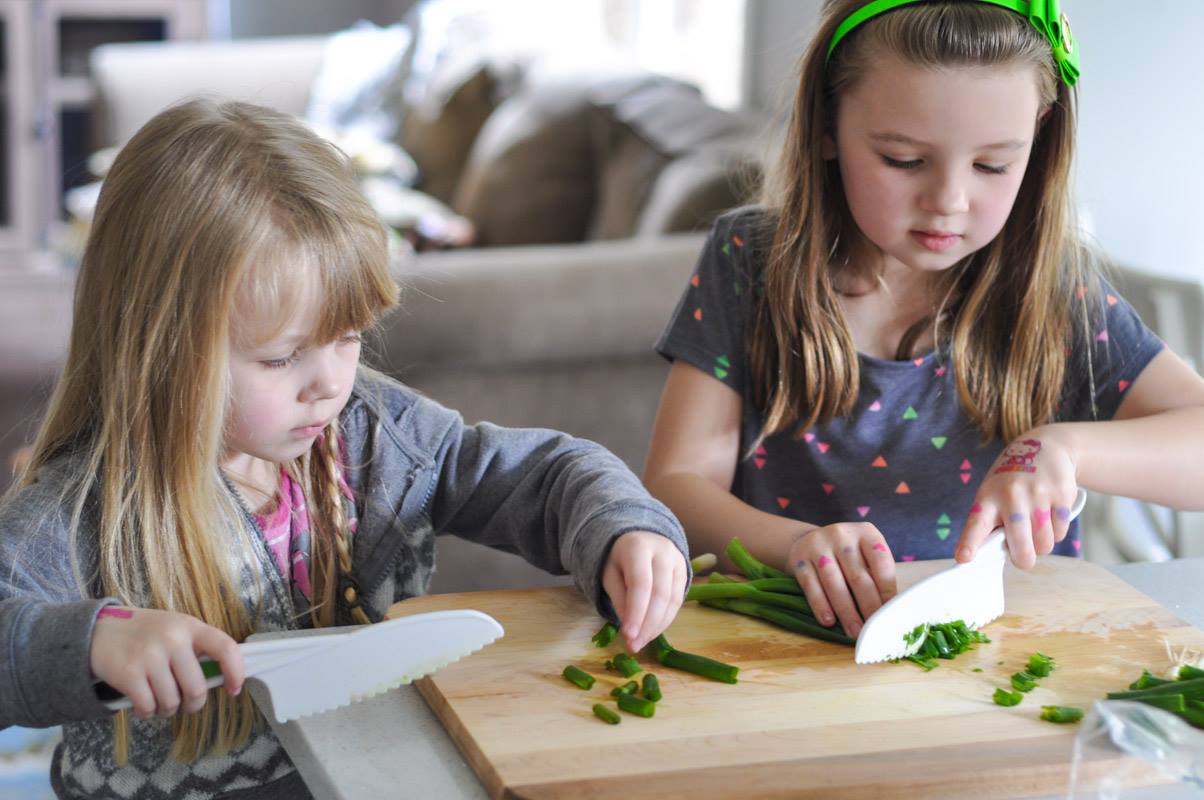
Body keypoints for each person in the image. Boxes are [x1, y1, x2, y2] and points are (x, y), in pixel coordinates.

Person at [0, 98, 690, 800]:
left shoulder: (373, 431)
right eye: (280, 358)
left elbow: (542, 474)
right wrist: (93, 641)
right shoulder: (85, 505)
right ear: (157, 348)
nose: (330, 383)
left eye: (349, 335)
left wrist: (621, 525)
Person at [644, 0, 1204, 641]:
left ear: (1040, 140)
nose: (949, 202)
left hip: (1005, 651)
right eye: (904, 160)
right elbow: (678, 483)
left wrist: (1064, 448)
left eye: (993, 165)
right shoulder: (751, 262)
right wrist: (795, 543)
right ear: (828, 125)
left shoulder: (1053, 291)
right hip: (792, 645)